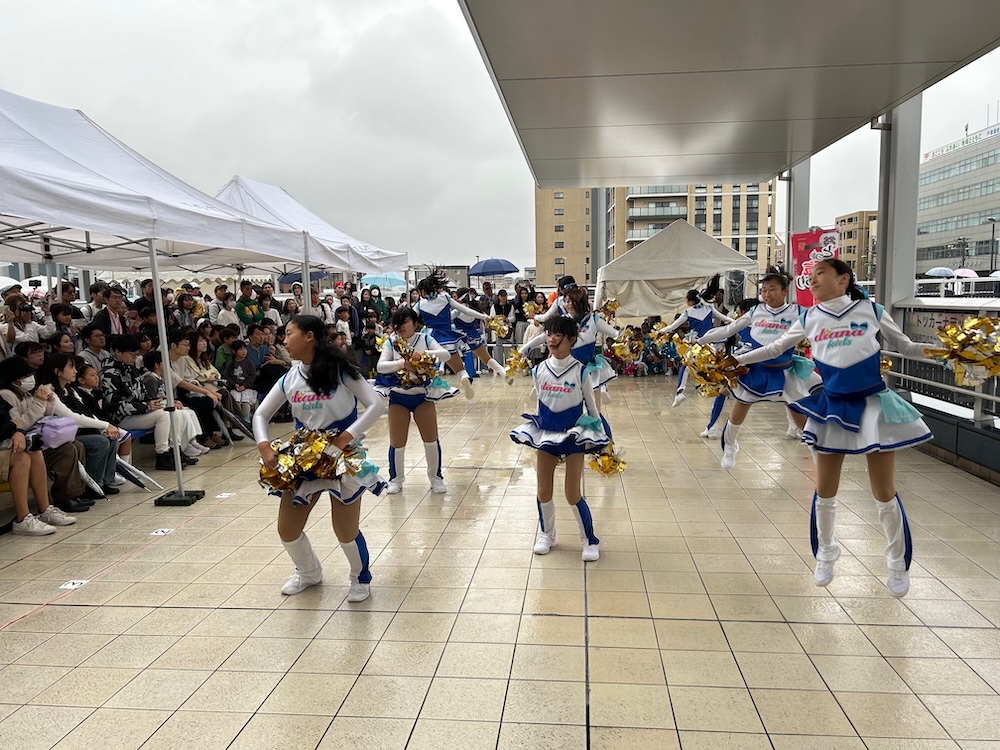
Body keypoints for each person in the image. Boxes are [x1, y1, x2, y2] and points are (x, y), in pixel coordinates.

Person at [729, 258, 932, 598]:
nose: (812, 279)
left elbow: (907, 346)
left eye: (820, 273)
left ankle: (897, 562)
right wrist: (736, 360)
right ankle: (826, 552)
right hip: (832, 407)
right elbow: (776, 347)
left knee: (884, 491)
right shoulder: (809, 317)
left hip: (872, 405)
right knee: (825, 490)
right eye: (810, 275)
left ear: (843, 279)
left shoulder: (871, 310)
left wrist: (954, 353)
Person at [254, 314, 386, 601]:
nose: (284, 340)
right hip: (304, 459)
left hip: (342, 458)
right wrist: (264, 445)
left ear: (309, 336)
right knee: (287, 529)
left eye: (289, 333)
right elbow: (261, 413)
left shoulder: (342, 371)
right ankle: (309, 572)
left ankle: (360, 578)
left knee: (345, 531)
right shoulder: (290, 377)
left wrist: (345, 437)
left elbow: (376, 404)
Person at [510, 317, 608, 561]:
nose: (551, 339)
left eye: (558, 335)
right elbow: (540, 402)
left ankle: (589, 540)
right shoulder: (539, 370)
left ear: (571, 340)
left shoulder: (580, 371)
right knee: (543, 490)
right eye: (549, 334)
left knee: (572, 493)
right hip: (546, 434)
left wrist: (603, 438)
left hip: (573, 435)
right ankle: (547, 535)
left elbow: (592, 408)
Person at [698, 275, 820, 465]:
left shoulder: (799, 312)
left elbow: (818, 336)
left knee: (800, 414)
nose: (767, 294)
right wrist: (700, 340)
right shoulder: (756, 311)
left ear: (784, 291)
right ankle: (730, 448)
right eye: (764, 290)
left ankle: (816, 449)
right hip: (755, 370)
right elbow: (728, 330)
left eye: (772, 289)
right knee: (738, 412)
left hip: (785, 372)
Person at [375, 307, 458, 495]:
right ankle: (396, 479)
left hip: (423, 396)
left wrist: (424, 354)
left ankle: (436, 478)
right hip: (398, 397)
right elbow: (381, 366)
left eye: (405, 322)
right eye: (398, 323)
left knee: (431, 440)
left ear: (415, 323)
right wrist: (401, 363)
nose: (401, 326)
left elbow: (445, 354)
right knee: (397, 442)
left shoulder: (425, 339)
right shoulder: (392, 341)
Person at [0, 357, 90, 513]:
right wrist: (39, 403)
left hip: (35, 440)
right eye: (25, 376)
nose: (30, 379)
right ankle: (63, 497)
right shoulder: (7, 394)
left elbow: (42, 417)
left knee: (77, 445)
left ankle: (75, 493)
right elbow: (19, 424)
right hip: (20, 445)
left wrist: (49, 402)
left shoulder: (26, 394)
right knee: (67, 450)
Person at [101, 334, 197, 471]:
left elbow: (144, 395)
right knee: (164, 415)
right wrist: (145, 406)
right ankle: (162, 454)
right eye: (132, 354)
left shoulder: (131, 369)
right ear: (118, 352)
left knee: (173, 410)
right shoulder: (109, 374)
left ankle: (175, 450)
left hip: (139, 412)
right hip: (120, 417)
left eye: (136, 354)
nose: (135, 358)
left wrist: (161, 402)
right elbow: (114, 405)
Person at [35, 353, 123, 498]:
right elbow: (72, 417)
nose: (75, 371)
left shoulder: (70, 389)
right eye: (71, 367)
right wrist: (105, 425)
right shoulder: (48, 391)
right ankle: (92, 486)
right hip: (57, 437)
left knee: (110, 437)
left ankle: (105, 481)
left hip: (74, 432)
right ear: (58, 371)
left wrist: (104, 428)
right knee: (99, 441)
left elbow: (85, 412)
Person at [0, 379, 76, 535]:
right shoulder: (6, 394)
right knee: (21, 457)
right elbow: (16, 423)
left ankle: (44, 509)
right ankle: (22, 519)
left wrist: (17, 431)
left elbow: (14, 423)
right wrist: (15, 427)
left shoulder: (25, 395)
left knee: (34, 451)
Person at [414, 268, 494, 398]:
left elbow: (408, 317)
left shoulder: (419, 305)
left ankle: (434, 379)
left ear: (423, 291)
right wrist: (484, 316)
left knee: (425, 365)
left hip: (428, 339)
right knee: (459, 369)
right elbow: (466, 310)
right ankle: (464, 377)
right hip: (447, 338)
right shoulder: (445, 298)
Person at [660, 285, 734, 406]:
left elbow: (673, 326)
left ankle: (680, 392)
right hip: (714, 342)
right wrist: (740, 322)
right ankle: (727, 388)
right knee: (719, 366)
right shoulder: (709, 308)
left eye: (686, 299)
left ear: (690, 301)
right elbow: (725, 318)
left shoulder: (688, 312)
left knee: (686, 365)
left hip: (700, 344)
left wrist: (660, 331)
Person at [139, 351, 207, 463]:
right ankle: (179, 446)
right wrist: (170, 404)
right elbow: (153, 399)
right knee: (179, 414)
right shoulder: (150, 379)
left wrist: (173, 401)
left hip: (163, 406)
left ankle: (191, 441)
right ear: (157, 365)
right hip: (156, 409)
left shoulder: (159, 378)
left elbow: (163, 396)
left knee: (189, 411)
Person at [452, 289, 506, 378]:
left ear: (459, 298)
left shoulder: (457, 310)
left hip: (459, 337)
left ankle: (456, 373)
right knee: (487, 358)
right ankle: (502, 371)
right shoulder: (475, 308)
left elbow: (445, 320)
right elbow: (488, 318)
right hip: (473, 336)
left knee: (448, 351)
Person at [224, 340, 258, 420]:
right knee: (236, 401)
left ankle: (246, 419)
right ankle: (238, 419)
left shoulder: (249, 363)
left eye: (245, 349)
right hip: (234, 388)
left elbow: (252, 376)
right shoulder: (230, 364)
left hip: (246, 388)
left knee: (246, 401)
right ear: (234, 351)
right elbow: (227, 376)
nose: (244, 351)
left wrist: (244, 385)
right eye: (240, 349)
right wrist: (234, 384)